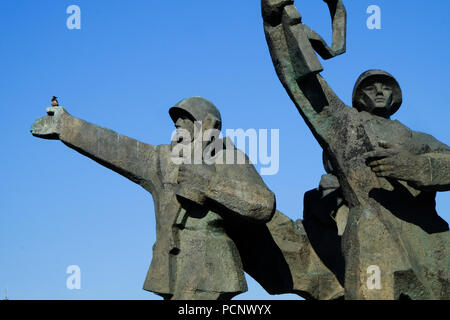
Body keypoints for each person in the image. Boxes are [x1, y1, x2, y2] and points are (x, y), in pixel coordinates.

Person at [262, 0, 450, 299]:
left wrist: (417, 167)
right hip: (373, 241)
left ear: (395, 97)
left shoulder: (418, 138)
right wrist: (274, 24)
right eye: (370, 86)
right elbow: (301, 82)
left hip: (430, 242)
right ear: (358, 96)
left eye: (386, 87)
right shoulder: (345, 127)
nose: (378, 91)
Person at [31, 96, 276, 300]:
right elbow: (117, 148)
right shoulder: (162, 159)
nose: (178, 122)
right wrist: (67, 126)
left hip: (212, 266)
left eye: (186, 118)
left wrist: (210, 185)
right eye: (176, 118)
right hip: (172, 263)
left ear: (205, 125)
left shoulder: (226, 157)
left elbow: (263, 204)